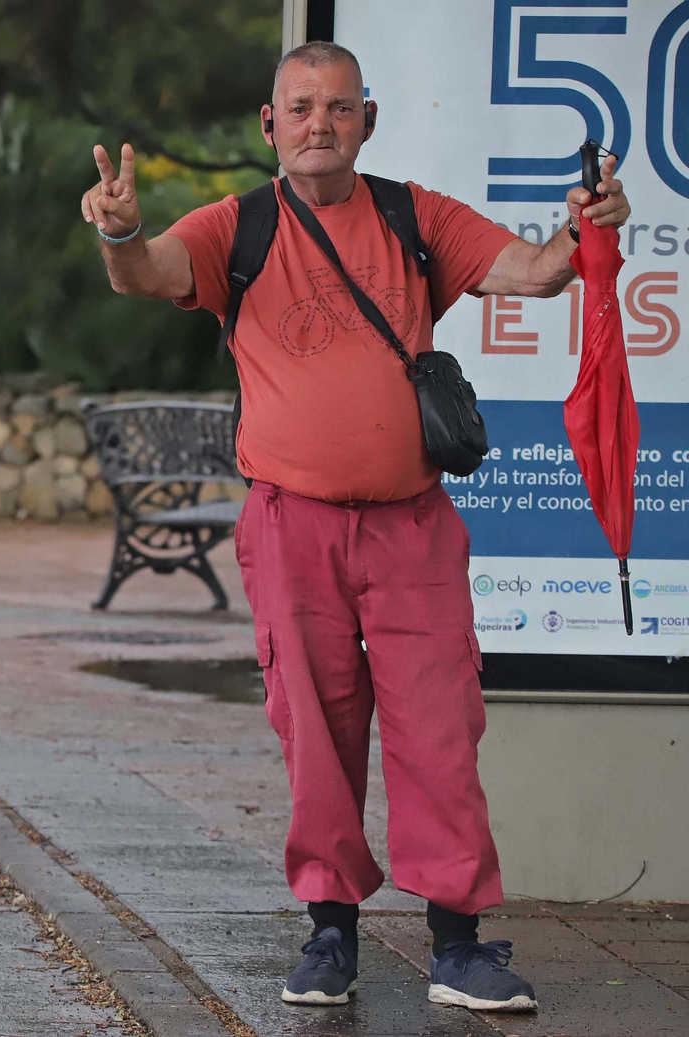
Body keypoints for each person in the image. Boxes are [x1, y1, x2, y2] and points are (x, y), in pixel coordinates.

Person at [80, 41, 631, 1013]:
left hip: (411, 524)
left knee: (439, 725)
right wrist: (120, 233)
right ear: (269, 123)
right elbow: (144, 272)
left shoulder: (415, 218)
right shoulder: (236, 228)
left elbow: (537, 273)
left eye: (337, 108)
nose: (317, 125)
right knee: (315, 727)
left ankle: (458, 943)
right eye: (299, 108)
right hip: (291, 524)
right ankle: (329, 934)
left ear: (367, 121)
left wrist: (582, 228)